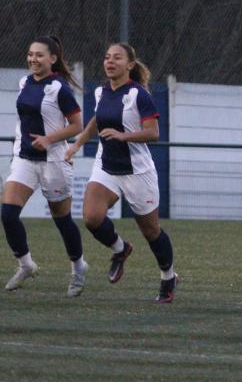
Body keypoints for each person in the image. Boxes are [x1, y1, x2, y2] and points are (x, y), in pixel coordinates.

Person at [65, 43, 178, 303]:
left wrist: (123, 135)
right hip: (106, 165)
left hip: (137, 171)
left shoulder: (139, 95)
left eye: (117, 58)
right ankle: (120, 249)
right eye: (107, 57)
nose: (110, 61)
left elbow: (154, 133)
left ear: (130, 65)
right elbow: (96, 120)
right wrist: (78, 144)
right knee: (92, 218)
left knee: (151, 231)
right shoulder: (100, 92)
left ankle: (168, 277)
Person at [3, 36, 86, 296]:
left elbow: (77, 126)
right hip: (25, 159)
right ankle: (26, 265)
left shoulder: (59, 88)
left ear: (53, 59)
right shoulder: (24, 82)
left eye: (39, 55)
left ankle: (78, 267)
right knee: (7, 214)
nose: (33, 59)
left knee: (62, 220)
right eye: (30, 54)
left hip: (53, 162)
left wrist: (49, 139)